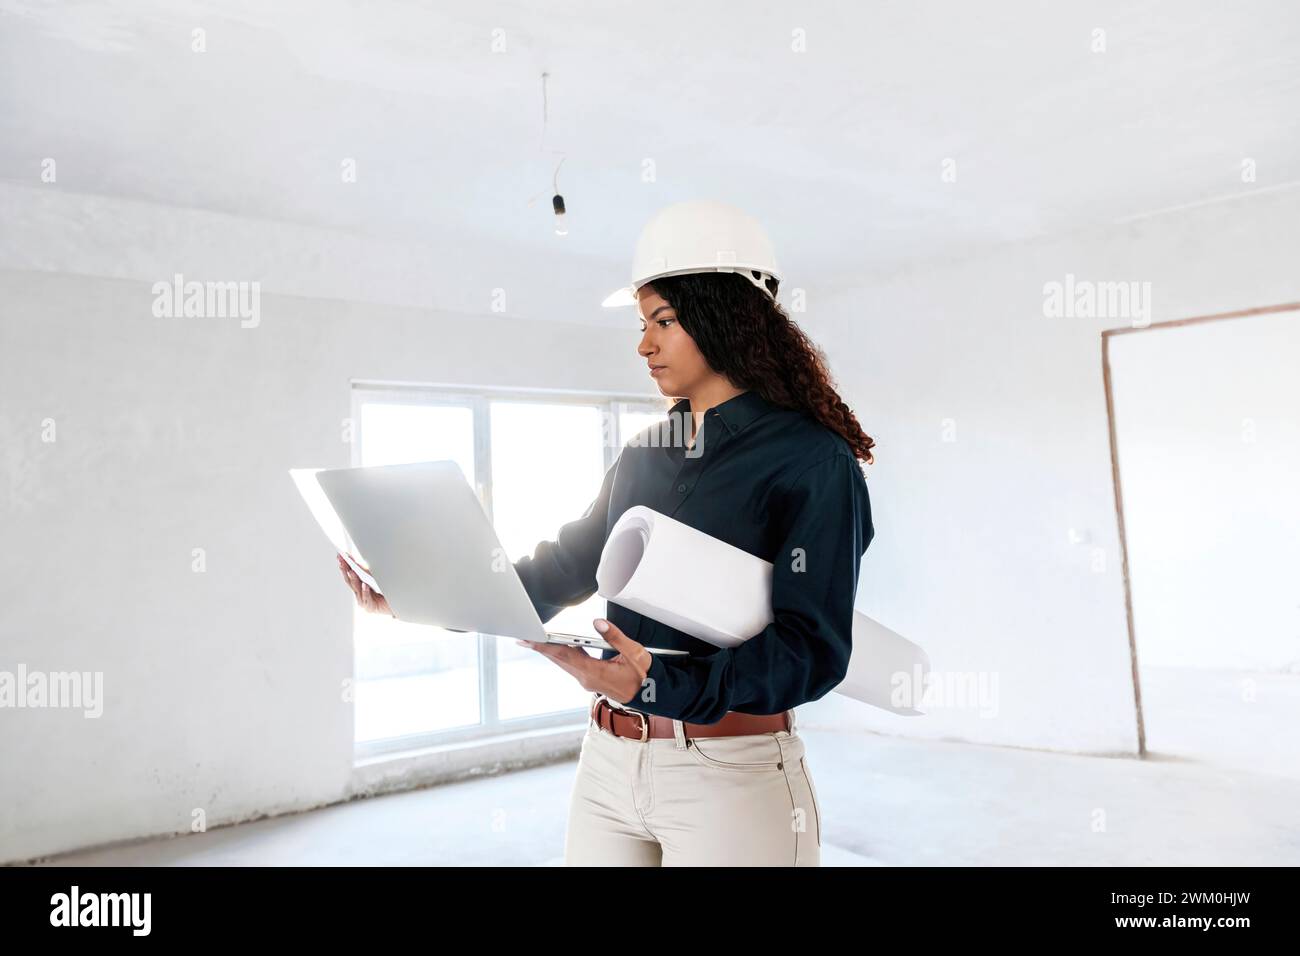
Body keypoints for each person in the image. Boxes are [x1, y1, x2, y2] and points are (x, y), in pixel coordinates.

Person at [341, 200, 876, 866]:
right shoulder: (644, 454)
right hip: (608, 763)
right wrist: (418, 594)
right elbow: (556, 573)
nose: (644, 344)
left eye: (664, 321)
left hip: (731, 771)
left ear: (728, 315)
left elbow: (811, 650)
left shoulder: (812, 460)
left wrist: (656, 685)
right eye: (642, 324)